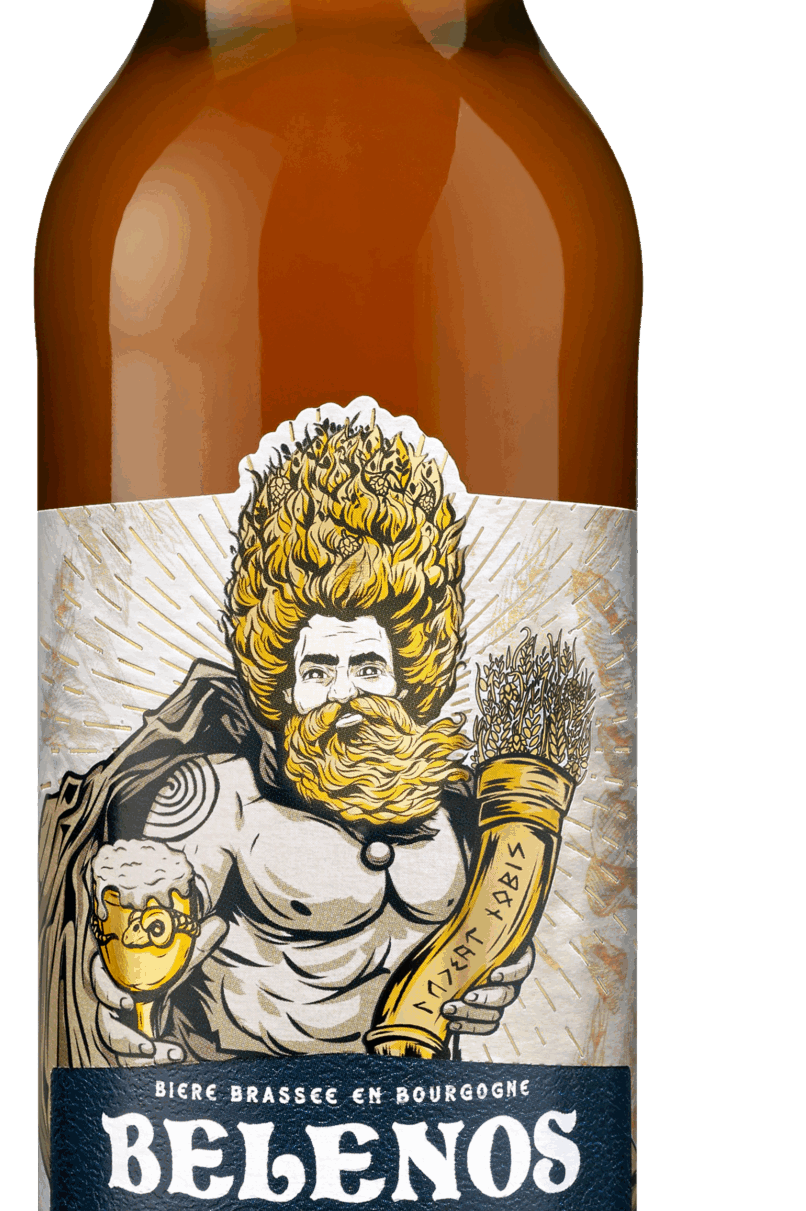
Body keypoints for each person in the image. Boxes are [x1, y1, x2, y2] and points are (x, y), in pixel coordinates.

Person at [38, 415, 533, 1166]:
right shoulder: (215, 801)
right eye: (318, 670)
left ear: (410, 675)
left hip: (437, 1147)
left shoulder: (460, 814)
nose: (345, 696)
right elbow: (143, 921)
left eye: (368, 668)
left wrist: (495, 972)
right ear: (280, 684)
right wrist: (112, 996)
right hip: (230, 1146)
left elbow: (485, 943)